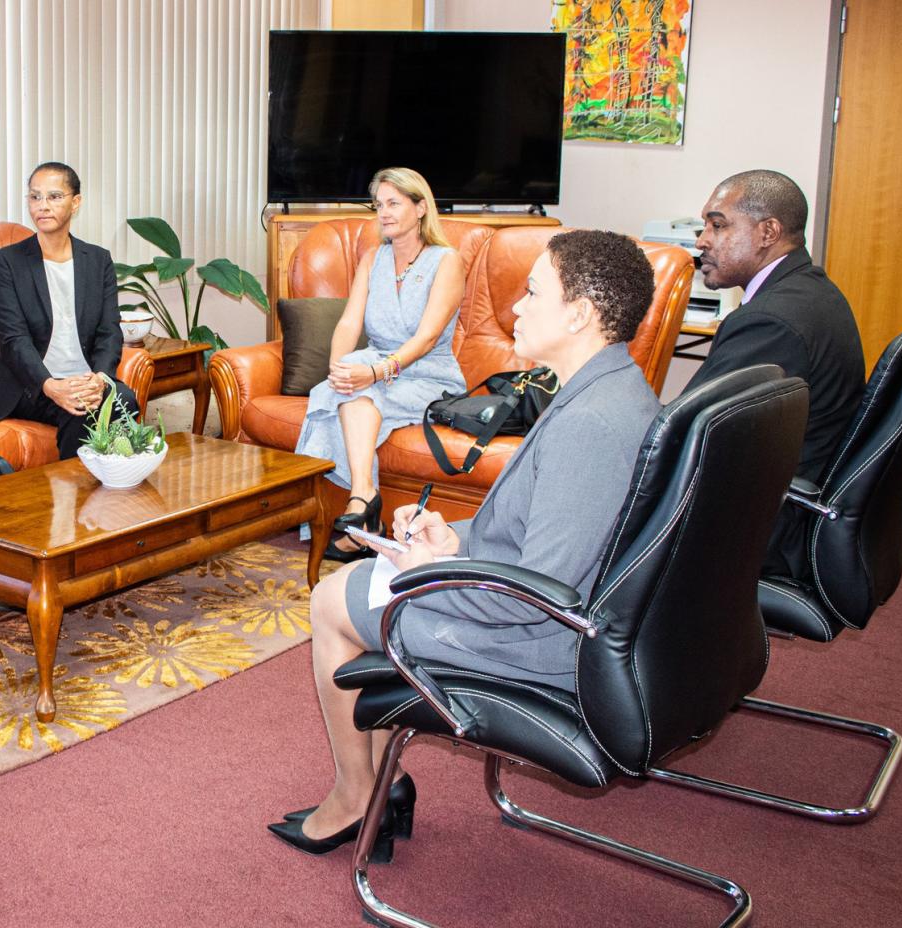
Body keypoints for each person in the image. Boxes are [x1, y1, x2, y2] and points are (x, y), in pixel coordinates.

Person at [269, 230, 662, 859]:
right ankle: (380, 784)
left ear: (580, 313)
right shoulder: (607, 389)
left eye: (533, 292)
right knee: (348, 585)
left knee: (330, 601)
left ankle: (357, 794)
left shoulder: (590, 425)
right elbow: (541, 529)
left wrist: (431, 571)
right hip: (525, 596)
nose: (516, 309)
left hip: (537, 641)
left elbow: (539, 597)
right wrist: (454, 536)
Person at [684, 170, 864, 575]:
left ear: (768, 232)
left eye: (718, 225)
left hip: (765, 527)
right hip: (792, 498)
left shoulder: (771, 323)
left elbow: (688, 435)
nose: (702, 241)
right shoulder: (813, 291)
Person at [292, 168, 467, 562]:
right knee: (336, 391)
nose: (383, 213)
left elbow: (425, 339)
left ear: (420, 207)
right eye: (378, 205)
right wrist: (339, 369)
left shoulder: (447, 261)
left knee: (360, 390)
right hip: (375, 362)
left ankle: (362, 516)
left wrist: (372, 373)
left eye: (393, 203)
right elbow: (350, 322)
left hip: (427, 371)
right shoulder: (374, 258)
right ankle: (364, 501)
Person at [0, 161, 138, 459]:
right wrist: (50, 385)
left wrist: (100, 378)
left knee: (124, 398)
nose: (42, 206)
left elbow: (109, 330)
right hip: (29, 385)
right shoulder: (10, 261)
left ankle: (108, 491)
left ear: (76, 202)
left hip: (84, 379)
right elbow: (12, 338)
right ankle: (72, 498)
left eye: (54, 197)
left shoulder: (97, 261)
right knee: (80, 408)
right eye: (35, 197)